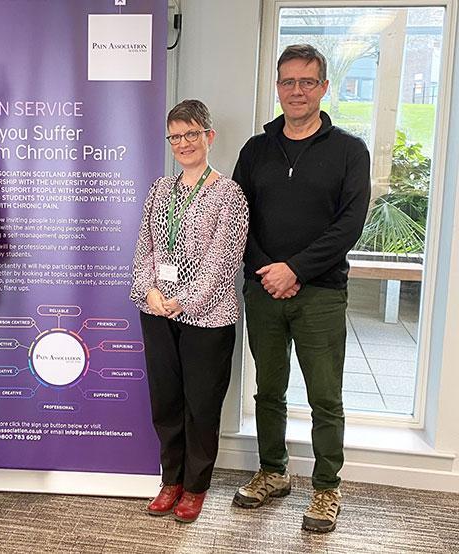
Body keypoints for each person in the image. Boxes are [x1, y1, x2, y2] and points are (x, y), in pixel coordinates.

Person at [231, 44, 370, 533]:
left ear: (323, 87)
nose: (296, 91)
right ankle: (273, 472)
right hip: (263, 289)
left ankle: (327, 488)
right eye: (288, 82)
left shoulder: (350, 151)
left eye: (306, 82)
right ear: (277, 87)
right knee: (268, 390)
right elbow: (236, 221)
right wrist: (269, 270)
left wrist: (297, 270)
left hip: (322, 294)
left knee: (324, 397)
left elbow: (349, 224)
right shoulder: (255, 150)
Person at [130, 99, 248, 523]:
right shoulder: (161, 190)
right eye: (176, 136)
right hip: (159, 311)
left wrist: (186, 300)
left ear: (209, 137)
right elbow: (145, 247)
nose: (183, 143)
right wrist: (150, 291)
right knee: (166, 402)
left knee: (200, 406)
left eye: (191, 134)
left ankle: (195, 487)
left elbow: (224, 260)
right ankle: (170, 481)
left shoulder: (229, 194)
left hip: (206, 318)